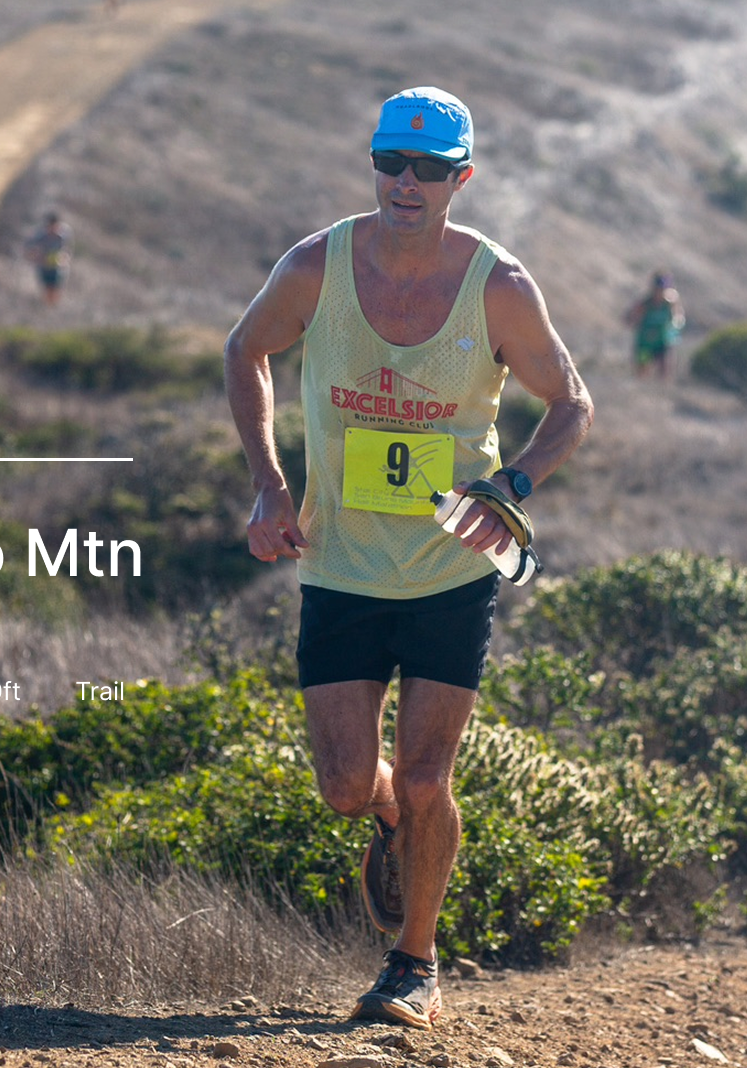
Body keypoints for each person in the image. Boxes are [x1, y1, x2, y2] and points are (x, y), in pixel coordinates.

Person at [223, 86, 593, 1029]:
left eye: (431, 169)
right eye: (393, 162)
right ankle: (393, 821)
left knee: (430, 777)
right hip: (340, 564)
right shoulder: (318, 266)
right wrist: (269, 482)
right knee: (351, 787)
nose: (408, 183)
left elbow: (572, 404)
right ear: (374, 164)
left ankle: (414, 965)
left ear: (460, 179)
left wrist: (509, 489)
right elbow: (245, 350)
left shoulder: (498, 286)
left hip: (451, 568)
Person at [623, 270, 685, 379]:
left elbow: (678, 319)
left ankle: (663, 393)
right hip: (645, 344)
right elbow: (629, 320)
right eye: (658, 289)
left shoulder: (669, 304)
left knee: (665, 368)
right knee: (642, 372)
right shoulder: (645, 304)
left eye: (662, 290)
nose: (659, 293)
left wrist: (674, 328)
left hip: (662, 343)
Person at [24, 211, 73, 305]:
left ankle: (54, 307)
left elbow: (67, 252)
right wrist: (37, 256)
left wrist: (63, 258)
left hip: (58, 268)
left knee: (56, 290)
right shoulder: (40, 235)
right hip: (43, 267)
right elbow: (29, 249)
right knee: (46, 290)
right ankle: (47, 307)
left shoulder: (64, 236)